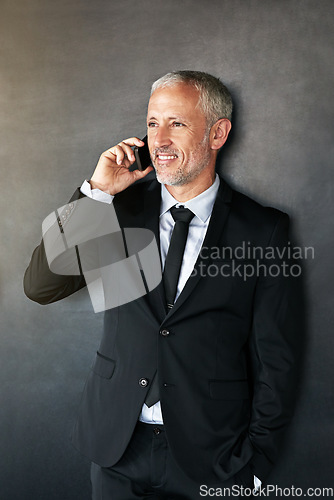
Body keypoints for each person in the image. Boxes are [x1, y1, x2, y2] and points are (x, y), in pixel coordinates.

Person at [24, 71, 296, 499]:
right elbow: (41, 285)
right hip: (116, 447)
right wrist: (96, 193)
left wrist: (257, 463)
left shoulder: (263, 230)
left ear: (218, 133)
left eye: (177, 123)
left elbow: (276, 356)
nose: (160, 139)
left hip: (214, 456)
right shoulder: (116, 209)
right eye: (153, 123)